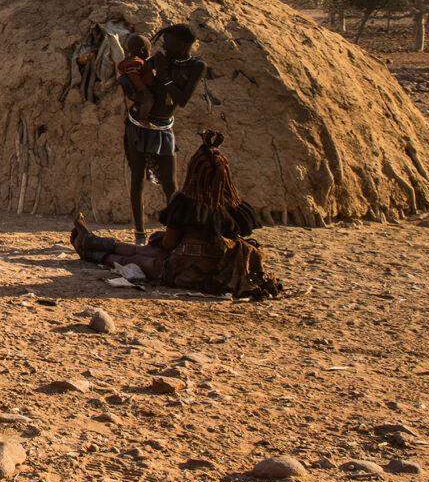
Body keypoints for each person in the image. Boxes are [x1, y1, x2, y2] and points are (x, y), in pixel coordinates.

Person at [73, 131, 283, 298]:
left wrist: (164, 240)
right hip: (217, 268)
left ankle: (91, 248)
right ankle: (90, 241)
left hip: (185, 271)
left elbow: (168, 245)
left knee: (140, 256)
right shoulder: (236, 207)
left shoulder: (186, 202)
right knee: (145, 253)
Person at [123, 23, 205, 240]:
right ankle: (139, 233)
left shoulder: (196, 67)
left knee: (170, 182)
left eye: (168, 43)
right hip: (139, 124)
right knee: (137, 178)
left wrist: (165, 75)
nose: (164, 47)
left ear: (182, 44)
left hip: (164, 126)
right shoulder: (160, 60)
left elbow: (182, 99)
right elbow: (131, 74)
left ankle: (174, 232)